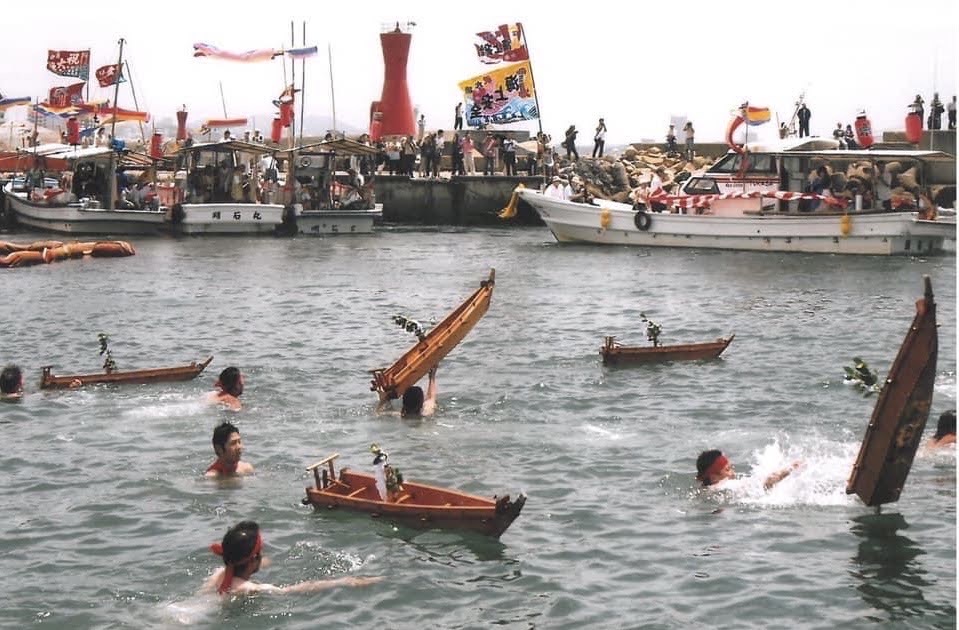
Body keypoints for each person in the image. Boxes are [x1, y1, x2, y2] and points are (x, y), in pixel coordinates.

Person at [201, 521, 382, 595]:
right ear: (252, 561)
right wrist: (345, 581)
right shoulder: (250, 588)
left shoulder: (218, 574)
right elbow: (299, 588)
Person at [696, 449, 801, 491]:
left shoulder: (705, 489)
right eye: (727, 470)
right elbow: (767, 482)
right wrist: (790, 469)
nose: (733, 472)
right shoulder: (726, 485)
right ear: (713, 477)